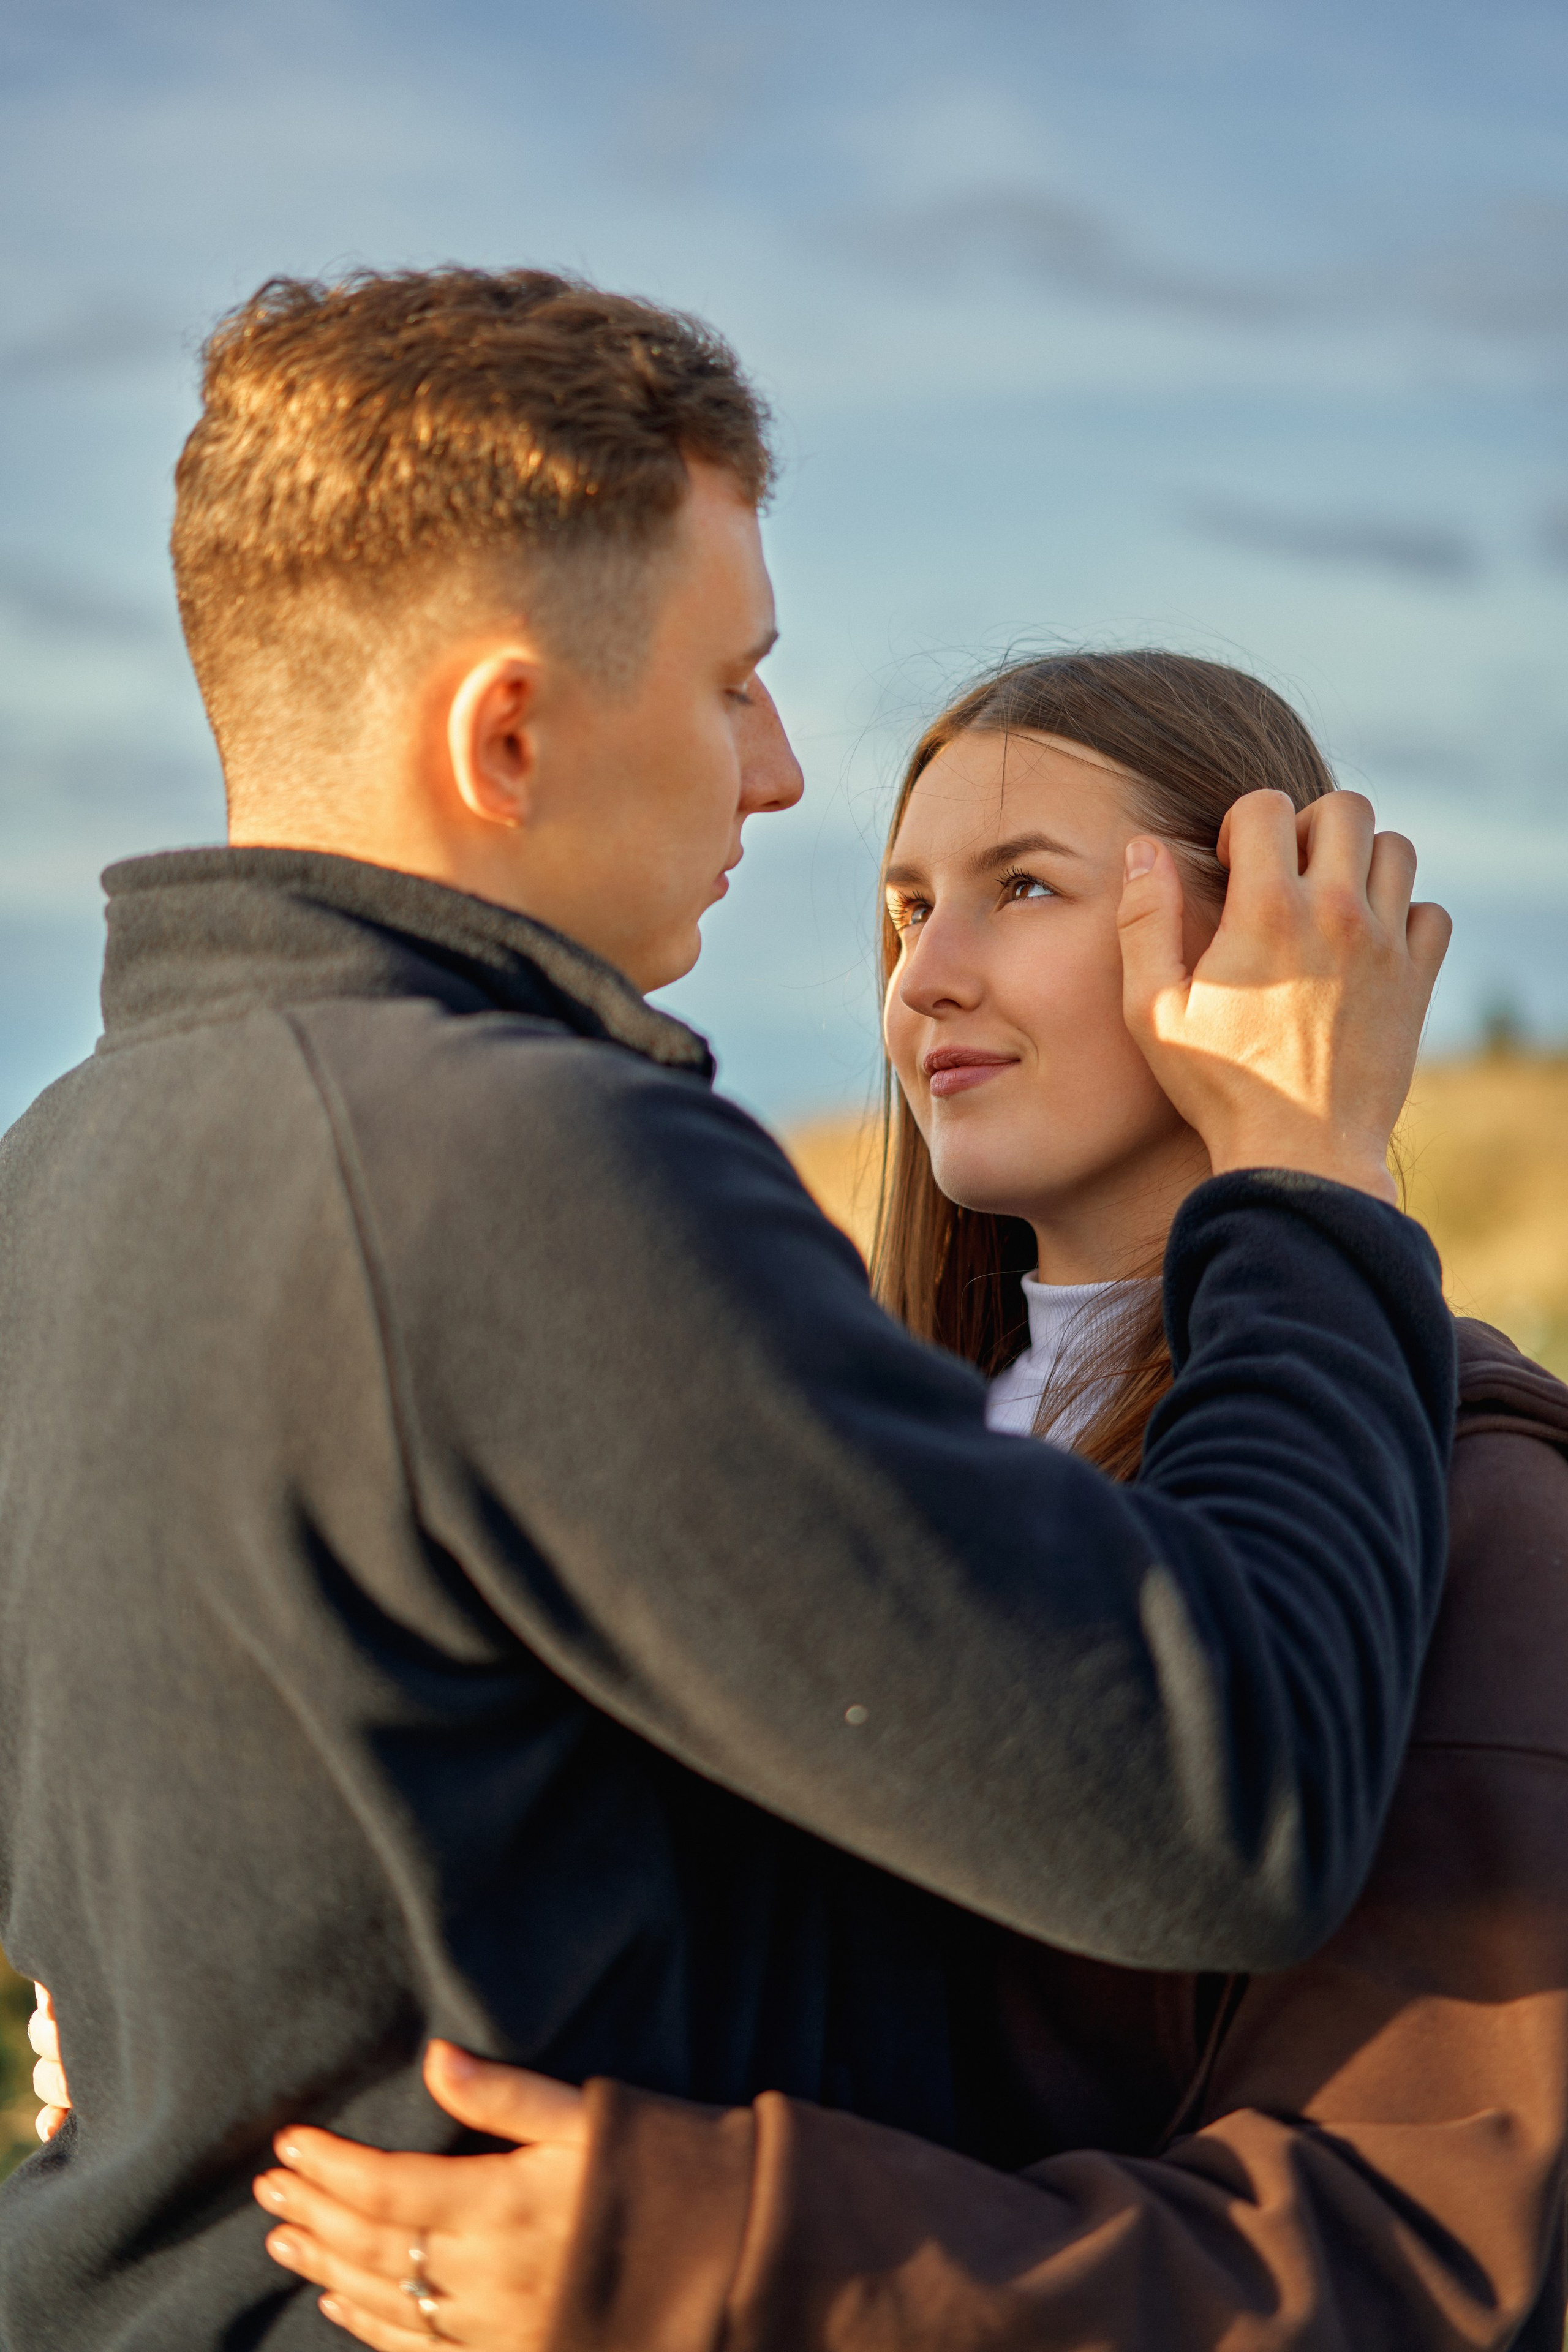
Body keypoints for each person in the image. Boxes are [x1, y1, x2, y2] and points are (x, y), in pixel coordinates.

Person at [0, 271, 1453, 2352]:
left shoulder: (59, 1168)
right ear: (506, 734)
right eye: (734, 684)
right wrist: (1315, 1181)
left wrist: (167, 2064)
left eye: (1014, 887)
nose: (777, 771)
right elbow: (1234, 1806)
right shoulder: (504, 1168)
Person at [128, 655, 1568, 2352]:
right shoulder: (868, 1460)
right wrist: (201, 2019)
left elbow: (1422, 2257)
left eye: (1019, 890)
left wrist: (720, 2256)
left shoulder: (1484, 1507)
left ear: (1258, 935)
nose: (925, 980)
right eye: (903, 912)